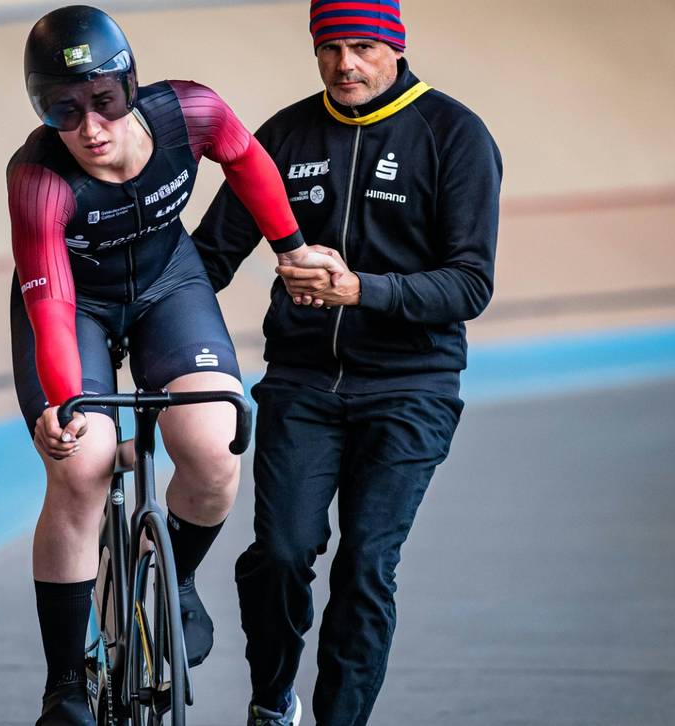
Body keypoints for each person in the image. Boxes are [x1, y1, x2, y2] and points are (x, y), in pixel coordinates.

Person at [6, 6, 339, 724]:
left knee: (215, 453)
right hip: (73, 304)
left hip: (167, 284)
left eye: (104, 100)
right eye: (64, 111)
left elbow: (247, 162)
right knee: (82, 465)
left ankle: (175, 580)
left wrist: (291, 247)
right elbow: (51, 305)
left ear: (130, 86)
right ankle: (65, 684)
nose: (90, 127)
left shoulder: (191, 112)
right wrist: (64, 401)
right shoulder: (39, 179)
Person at [191, 1, 503, 724]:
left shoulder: (454, 135)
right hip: (302, 382)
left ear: (396, 47)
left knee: (365, 566)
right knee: (281, 553)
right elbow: (209, 257)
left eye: (363, 46)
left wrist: (361, 290)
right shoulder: (284, 135)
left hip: (410, 387)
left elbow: (469, 284)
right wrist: (138, 320)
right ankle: (273, 700)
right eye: (330, 47)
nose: (345, 64)